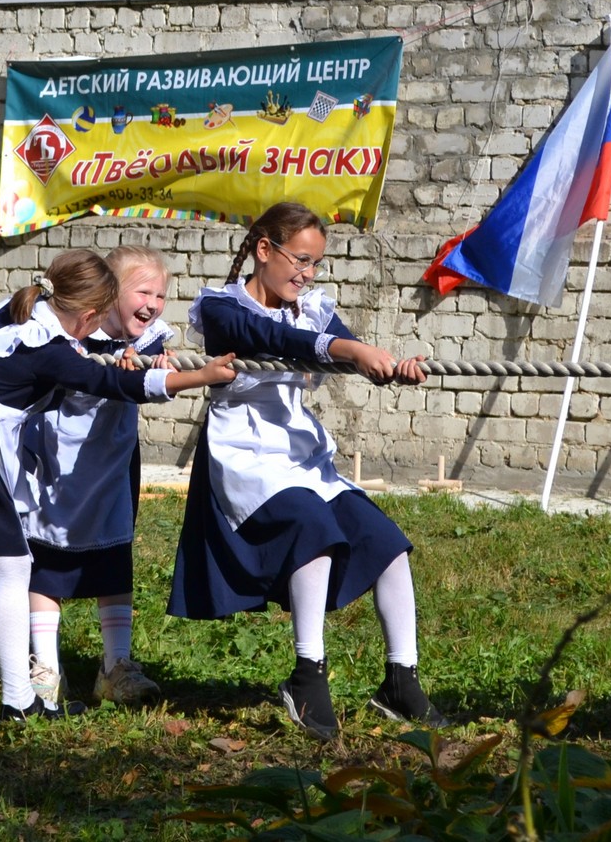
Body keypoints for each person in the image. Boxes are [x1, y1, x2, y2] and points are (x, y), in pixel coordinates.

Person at [0, 249, 236, 723]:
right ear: (89, 314)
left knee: (11, 563)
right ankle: (20, 699)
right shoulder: (49, 348)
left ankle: (18, 697)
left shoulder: (29, 309)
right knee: (12, 566)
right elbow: (112, 384)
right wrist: (201, 376)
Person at [169, 201, 447, 740]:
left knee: (386, 543)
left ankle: (401, 680)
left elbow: (344, 355)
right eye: (300, 259)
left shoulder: (313, 309)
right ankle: (307, 674)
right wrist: (349, 348)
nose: (308, 273)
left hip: (302, 455)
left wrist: (392, 370)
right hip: (248, 456)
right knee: (313, 532)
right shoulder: (221, 308)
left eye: (316, 264)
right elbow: (276, 342)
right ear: (263, 250)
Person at [22, 245, 174, 708]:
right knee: (47, 563)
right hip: (57, 462)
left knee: (113, 560)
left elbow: (156, 370)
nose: (152, 303)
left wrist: (161, 367)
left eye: (161, 294)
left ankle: (116, 666)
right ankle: (45, 668)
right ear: (108, 295)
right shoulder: (69, 335)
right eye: (142, 291)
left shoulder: (147, 342)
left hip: (109, 464)